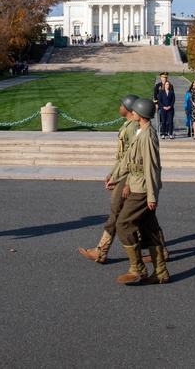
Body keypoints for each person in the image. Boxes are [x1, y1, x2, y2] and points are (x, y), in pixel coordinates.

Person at [110, 97, 169, 285]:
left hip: (142, 189)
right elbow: (128, 160)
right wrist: (114, 177)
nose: (131, 112)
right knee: (149, 229)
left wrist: (152, 196)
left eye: (134, 110)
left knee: (123, 224)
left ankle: (137, 268)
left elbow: (152, 168)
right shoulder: (140, 132)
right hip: (136, 184)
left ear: (141, 114)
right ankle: (160, 272)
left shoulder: (148, 136)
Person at [79, 94, 139, 263]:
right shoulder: (128, 125)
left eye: (121, 105)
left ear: (128, 108)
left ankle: (101, 250)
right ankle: (158, 250)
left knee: (116, 211)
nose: (119, 107)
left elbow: (133, 156)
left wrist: (125, 180)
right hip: (123, 172)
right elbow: (121, 156)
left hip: (129, 174)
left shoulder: (134, 127)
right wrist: (113, 172)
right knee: (143, 217)